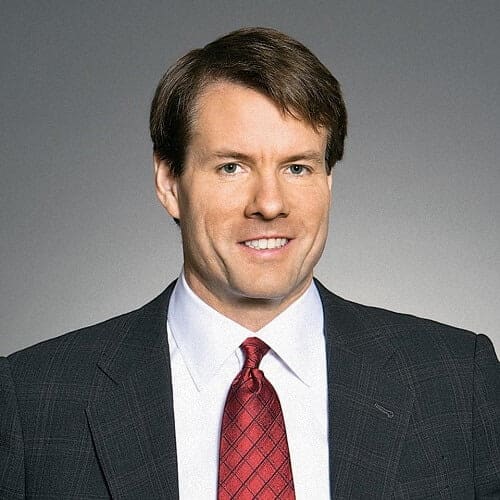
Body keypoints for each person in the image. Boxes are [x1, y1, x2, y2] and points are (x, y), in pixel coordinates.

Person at [0, 27, 498, 499]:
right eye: (232, 167)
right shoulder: (33, 399)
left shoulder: (458, 382)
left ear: (328, 182)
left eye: (297, 167)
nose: (269, 204)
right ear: (169, 183)